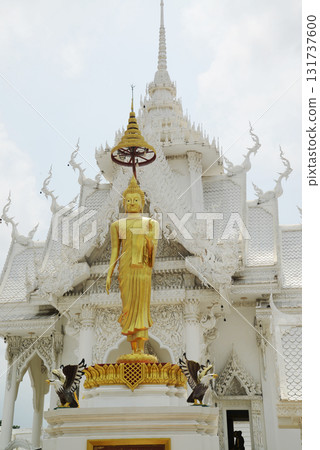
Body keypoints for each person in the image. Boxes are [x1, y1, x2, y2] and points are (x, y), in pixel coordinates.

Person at [106, 176, 159, 354]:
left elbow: (154, 251)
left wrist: (149, 239)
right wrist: (108, 273)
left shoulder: (151, 224)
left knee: (141, 307)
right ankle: (133, 347)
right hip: (126, 270)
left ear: (143, 202)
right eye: (128, 200)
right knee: (128, 307)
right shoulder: (117, 225)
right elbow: (115, 250)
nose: (132, 202)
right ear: (123, 203)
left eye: (136, 199)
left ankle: (141, 349)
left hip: (142, 270)